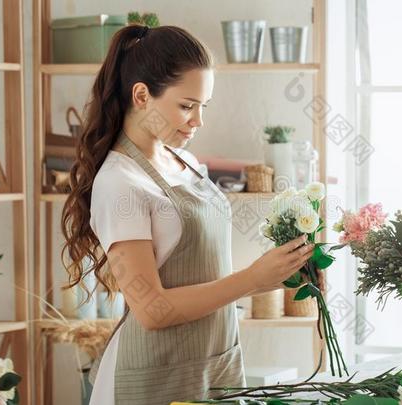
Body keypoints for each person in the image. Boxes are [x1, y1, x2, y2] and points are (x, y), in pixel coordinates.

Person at [61, 24, 316, 405]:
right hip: (153, 378)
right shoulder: (119, 184)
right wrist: (250, 279)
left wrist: (278, 273)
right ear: (142, 95)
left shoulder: (185, 162)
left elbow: (207, 273)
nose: (198, 121)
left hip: (212, 364)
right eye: (186, 106)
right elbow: (152, 311)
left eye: (203, 106)